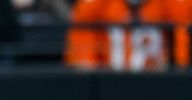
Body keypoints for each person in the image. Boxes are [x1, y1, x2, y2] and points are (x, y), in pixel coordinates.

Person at [64, 0, 192, 70]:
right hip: (108, 90)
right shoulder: (94, 5)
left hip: (159, 89)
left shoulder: (174, 4)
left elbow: (182, 64)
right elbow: (82, 65)